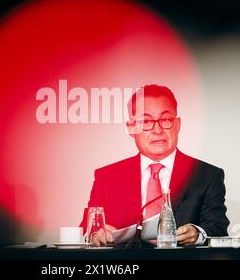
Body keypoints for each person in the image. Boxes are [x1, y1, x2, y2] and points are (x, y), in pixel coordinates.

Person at [80, 84, 229, 246]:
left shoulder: (207, 175)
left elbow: (218, 227)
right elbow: (87, 229)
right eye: (146, 121)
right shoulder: (107, 178)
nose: (157, 129)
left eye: (165, 119)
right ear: (131, 128)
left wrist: (198, 233)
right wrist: (96, 234)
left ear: (178, 124)